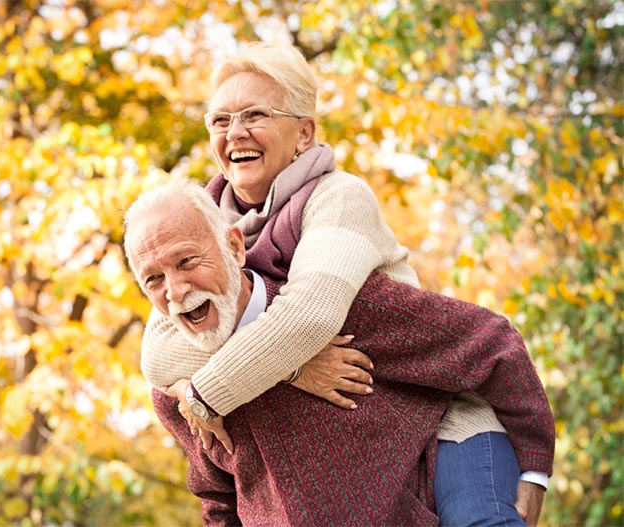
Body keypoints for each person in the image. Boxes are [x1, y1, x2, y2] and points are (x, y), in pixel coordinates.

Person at [138, 41, 550, 525]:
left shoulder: (338, 198)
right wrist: (292, 369)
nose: (235, 133)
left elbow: (309, 316)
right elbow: (159, 354)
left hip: (432, 408)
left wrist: (204, 393)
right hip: (360, 435)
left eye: (255, 114)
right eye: (220, 121)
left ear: (304, 134)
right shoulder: (198, 233)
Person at [123, 180, 555, 526]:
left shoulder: (345, 309)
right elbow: (218, 497)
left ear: (235, 248)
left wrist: (534, 467)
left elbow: (491, 343)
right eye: (153, 280)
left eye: (186, 262)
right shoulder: (176, 395)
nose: (176, 291)